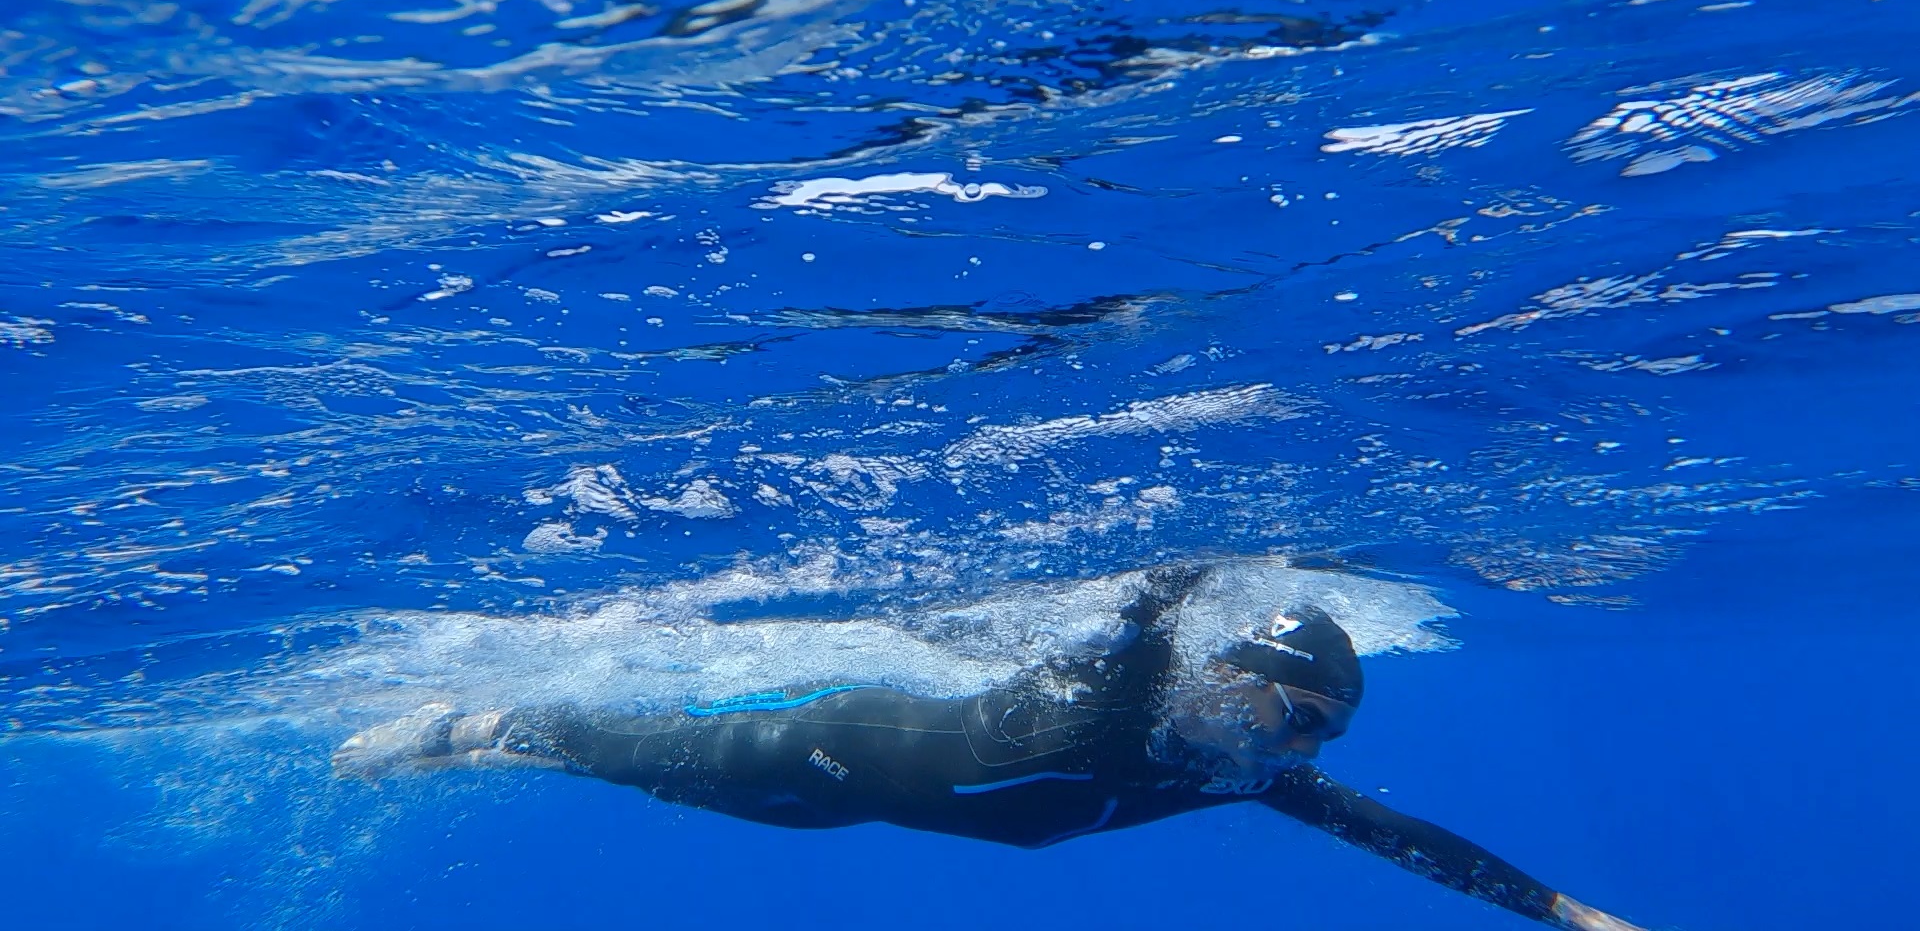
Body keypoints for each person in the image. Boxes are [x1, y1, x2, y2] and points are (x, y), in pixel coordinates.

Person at [334, 565, 1645, 930]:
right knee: (623, 751)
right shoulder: (1132, 702)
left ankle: (492, 736)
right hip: (821, 749)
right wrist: (1174, 579)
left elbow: (1394, 836)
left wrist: (1566, 913)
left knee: (667, 790)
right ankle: (468, 720)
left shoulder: (1227, 768)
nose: (1300, 752)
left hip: (853, 812)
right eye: (1298, 717)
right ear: (1231, 681)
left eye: (1325, 736)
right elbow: (1151, 610)